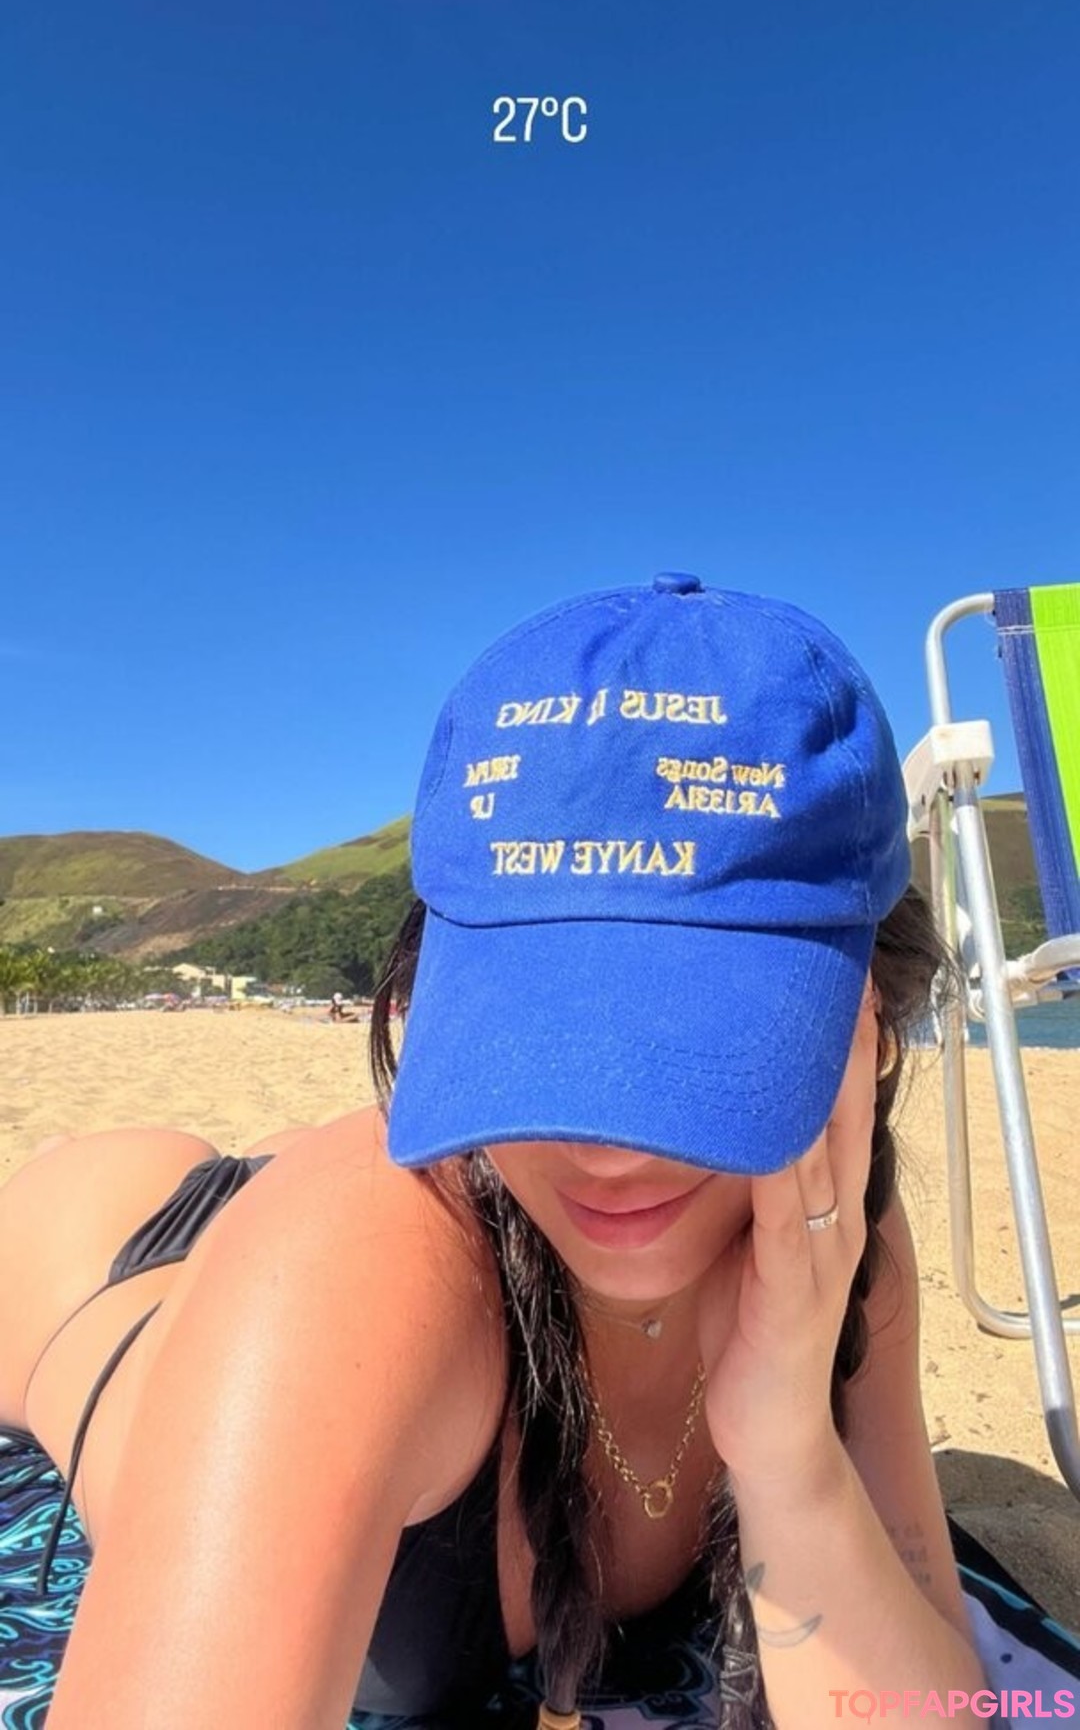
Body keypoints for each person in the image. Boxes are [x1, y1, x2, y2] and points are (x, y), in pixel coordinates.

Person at [0, 574, 993, 1730]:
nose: (605, 1148)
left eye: (694, 1040)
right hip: (108, 1259)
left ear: (870, 1019)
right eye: (537, 1041)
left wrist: (787, 1451)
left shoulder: (832, 1231)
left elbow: (934, 1699)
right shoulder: (345, 1280)